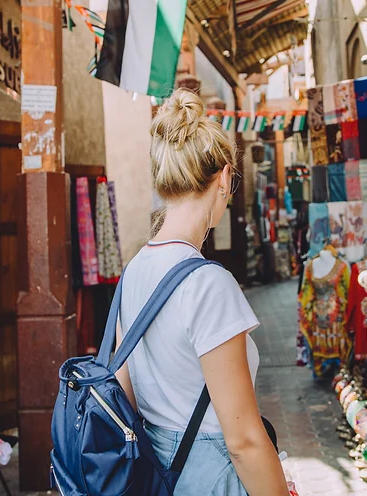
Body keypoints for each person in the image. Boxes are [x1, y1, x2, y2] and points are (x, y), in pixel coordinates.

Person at [115, 89, 290, 496]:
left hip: (157, 473)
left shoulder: (135, 270)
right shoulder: (209, 285)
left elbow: (125, 393)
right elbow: (244, 441)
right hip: (209, 478)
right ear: (226, 178)